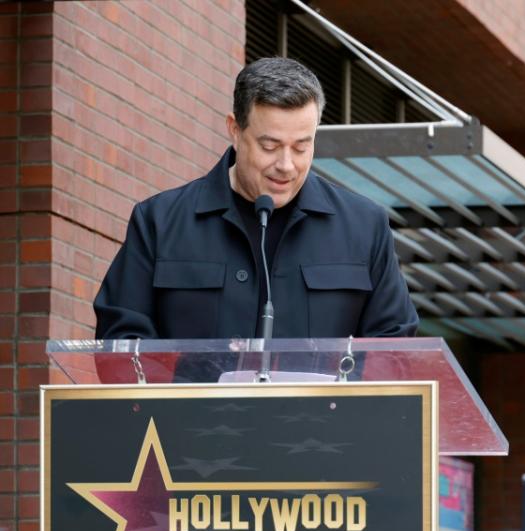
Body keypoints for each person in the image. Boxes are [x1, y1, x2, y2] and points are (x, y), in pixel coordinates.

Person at [95, 57, 417, 340]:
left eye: (302, 146)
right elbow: (121, 340)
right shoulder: (159, 222)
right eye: (270, 146)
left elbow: (395, 351)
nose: (286, 165)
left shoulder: (364, 228)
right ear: (235, 130)